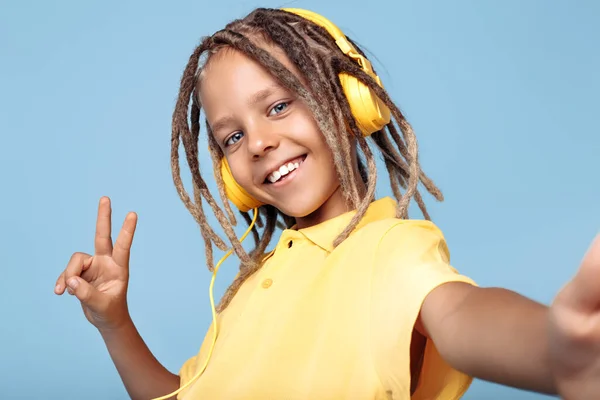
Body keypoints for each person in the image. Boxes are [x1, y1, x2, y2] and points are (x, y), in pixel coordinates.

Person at [54, 7, 600, 400]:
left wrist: (554, 351)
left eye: (279, 105)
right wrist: (115, 325)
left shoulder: (388, 249)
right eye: (233, 138)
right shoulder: (247, 289)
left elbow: (459, 315)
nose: (259, 142)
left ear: (350, 102)